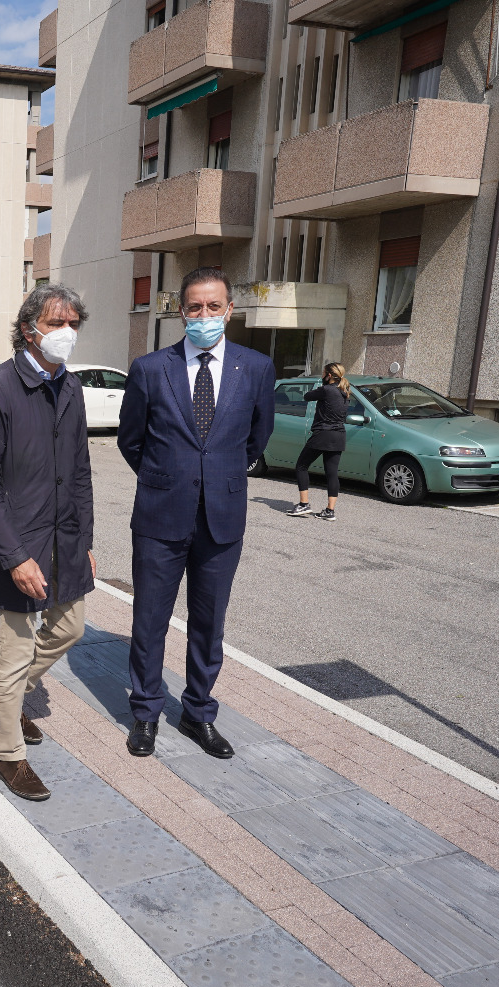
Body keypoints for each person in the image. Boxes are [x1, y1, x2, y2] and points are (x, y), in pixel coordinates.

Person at [117, 267, 275, 759]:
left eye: (213, 307)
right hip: (160, 517)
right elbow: (131, 440)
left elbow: (257, 438)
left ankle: (197, 713)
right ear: (180, 311)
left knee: (209, 625)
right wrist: (168, 478)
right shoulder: (149, 369)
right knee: (149, 621)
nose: (204, 316)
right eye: (194, 307)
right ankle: (145, 713)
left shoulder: (255, 368)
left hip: (222, 520)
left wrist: (220, 479)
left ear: (229, 310)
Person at [0, 283, 96, 801]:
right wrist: (15, 556)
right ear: (29, 329)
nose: (66, 333)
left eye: (72, 324)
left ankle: (5, 696)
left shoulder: (72, 388)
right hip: (15, 542)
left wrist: (84, 538)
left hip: (65, 538)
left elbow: (80, 472)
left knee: (70, 628)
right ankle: (9, 754)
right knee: (14, 647)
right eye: (56, 323)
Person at [289, 362, 350, 521]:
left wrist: (319, 385)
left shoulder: (326, 390)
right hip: (339, 435)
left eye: (323, 373)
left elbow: (307, 396)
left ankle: (304, 504)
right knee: (332, 473)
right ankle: (330, 511)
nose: (322, 375)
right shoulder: (345, 391)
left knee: (301, 465)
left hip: (323, 433)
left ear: (329, 375)